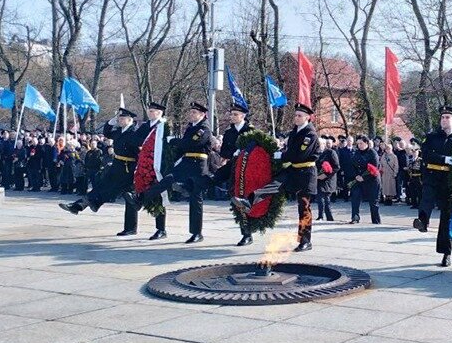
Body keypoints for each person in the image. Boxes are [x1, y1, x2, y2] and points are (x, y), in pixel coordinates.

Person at [231, 103, 319, 252]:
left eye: (299, 116)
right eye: (295, 115)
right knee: (274, 184)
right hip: (293, 170)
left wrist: (281, 156)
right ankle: (249, 201)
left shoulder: (309, 134)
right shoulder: (295, 132)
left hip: (306, 173)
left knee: (304, 207)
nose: (296, 118)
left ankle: (305, 241)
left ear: (307, 118)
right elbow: (291, 152)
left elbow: (299, 155)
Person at [135, 102, 211, 243]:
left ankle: (197, 233)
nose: (191, 114)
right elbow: (183, 148)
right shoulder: (191, 127)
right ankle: (142, 198)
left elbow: (191, 144)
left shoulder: (204, 128)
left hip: (198, 165)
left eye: (194, 112)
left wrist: (174, 140)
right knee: (167, 179)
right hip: (186, 162)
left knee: (196, 199)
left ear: (202, 114)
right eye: (191, 112)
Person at [59, 108, 142, 226]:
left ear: (130, 120)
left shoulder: (134, 132)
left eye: (122, 118)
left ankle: (129, 226)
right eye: (119, 118)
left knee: (124, 195)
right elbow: (107, 133)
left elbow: (139, 150)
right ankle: (79, 206)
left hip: (128, 167)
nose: (120, 120)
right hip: (117, 164)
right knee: (103, 187)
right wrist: (112, 121)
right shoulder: (119, 131)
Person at [413, 106, 452, 267]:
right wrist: (444, 159)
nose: (444, 120)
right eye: (442, 117)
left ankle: (446, 253)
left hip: (449, 181)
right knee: (426, 199)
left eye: (447, 117)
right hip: (432, 176)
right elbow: (427, 154)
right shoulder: (431, 137)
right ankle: (423, 221)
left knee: (446, 218)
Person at [203, 102, 254, 245]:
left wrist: (242, 153)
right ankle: (190, 186)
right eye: (231, 114)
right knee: (215, 179)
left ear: (243, 116)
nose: (232, 117)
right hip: (232, 165)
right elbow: (224, 151)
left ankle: (247, 234)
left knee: (242, 198)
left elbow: (256, 150)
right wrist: (232, 154)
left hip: (246, 168)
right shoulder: (229, 132)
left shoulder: (250, 131)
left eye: (235, 114)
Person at [124, 103, 170, 241]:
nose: (150, 113)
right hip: (145, 162)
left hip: (158, 164)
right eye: (149, 111)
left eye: (153, 111)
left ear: (160, 113)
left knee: (159, 196)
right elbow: (133, 140)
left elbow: (166, 145)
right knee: (145, 189)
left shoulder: (164, 126)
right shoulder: (146, 126)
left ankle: (161, 229)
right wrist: (146, 143)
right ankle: (139, 202)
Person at [349, 136, 381, 224]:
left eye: (361, 143)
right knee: (355, 197)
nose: (359, 145)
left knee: (373, 203)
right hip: (359, 179)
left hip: (372, 180)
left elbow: (375, 168)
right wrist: (356, 175)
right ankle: (355, 217)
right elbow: (353, 165)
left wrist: (364, 177)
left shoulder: (372, 153)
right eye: (358, 144)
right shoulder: (356, 153)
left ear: (366, 143)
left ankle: (376, 222)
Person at [316, 136, 340, 221]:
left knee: (325, 198)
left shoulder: (331, 152)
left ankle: (328, 217)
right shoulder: (316, 153)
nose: (318, 146)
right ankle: (321, 216)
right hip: (318, 178)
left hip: (328, 179)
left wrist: (325, 175)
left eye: (320, 144)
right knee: (320, 198)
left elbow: (336, 167)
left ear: (324, 144)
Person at [378, 140, 399, 205]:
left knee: (391, 186)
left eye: (389, 148)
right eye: (387, 149)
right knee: (385, 187)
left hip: (391, 173)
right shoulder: (383, 156)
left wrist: (395, 173)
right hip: (385, 173)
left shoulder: (394, 156)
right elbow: (380, 164)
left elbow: (396, 165)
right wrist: (380, 170)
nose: (388, 150)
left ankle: (390, 199)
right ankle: (386, 198)